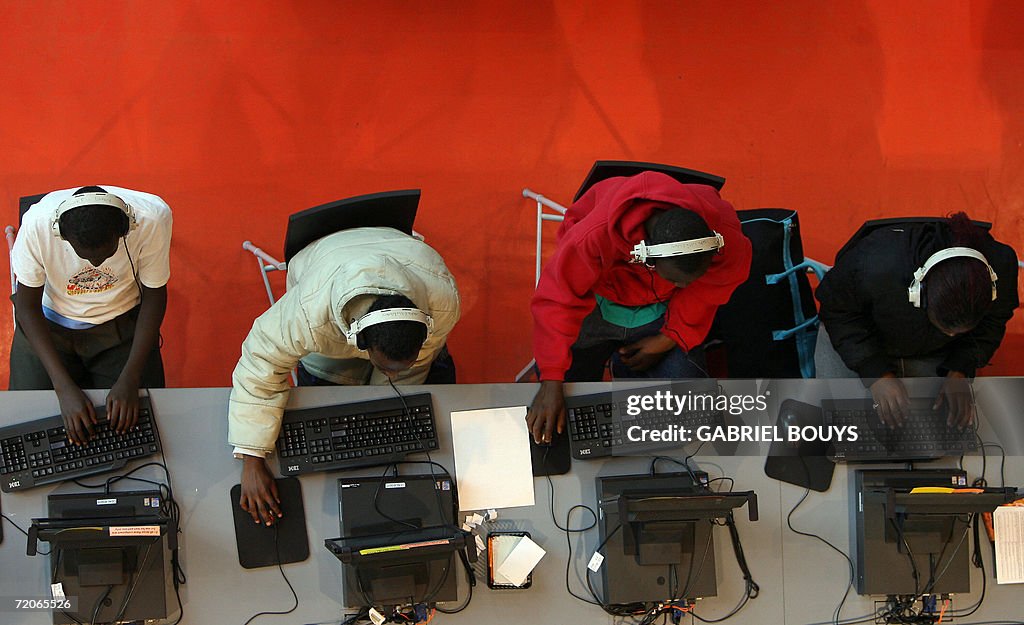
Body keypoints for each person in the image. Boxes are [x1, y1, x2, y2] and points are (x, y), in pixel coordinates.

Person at [228, 226, 460, 525]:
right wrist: (252, 457)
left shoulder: (443, 303)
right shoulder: (307, 313)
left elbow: (416, 363)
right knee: (324, 385)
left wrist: (386, 414)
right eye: (386, 366)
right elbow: (260, 364)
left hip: (410, 260)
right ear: (361, 343)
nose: (391, 373)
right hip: (322, 261)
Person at [526, 171, 752, 444]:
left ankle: (627, 374)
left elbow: (713, 285)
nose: (682, 286)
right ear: (647, 261)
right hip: (596, 302)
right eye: (675, 280)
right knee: (567, 406)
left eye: (689, 282)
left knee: (687, 411)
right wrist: (551, 381)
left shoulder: (724, 234)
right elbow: (557, 298)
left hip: (664, 310)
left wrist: (670, 337)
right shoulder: (592, 235)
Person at [815, 213, 1019, 428]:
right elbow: (837, 311)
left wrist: (960, 369)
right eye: (947, 328)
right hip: (859, 331)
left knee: (936, 430)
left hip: (930, 346)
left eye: (959, 332)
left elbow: (993, 321)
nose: (951, 335)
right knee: (842, 427)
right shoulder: (873, 263)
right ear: (918, 294)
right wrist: (875, 373)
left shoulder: (1000, 265)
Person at [10, 185, 171, 445]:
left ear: (125, 229)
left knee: (137, 425)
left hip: (120, 322)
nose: (96, 264)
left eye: (105, 255)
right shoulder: (37, 225)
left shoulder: (152, 218)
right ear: (60, 234)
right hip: (47, 323)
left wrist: (130, 377)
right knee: (25, 423)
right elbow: (27, 307)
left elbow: (155, 296)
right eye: (86, 256)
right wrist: (62, 388)